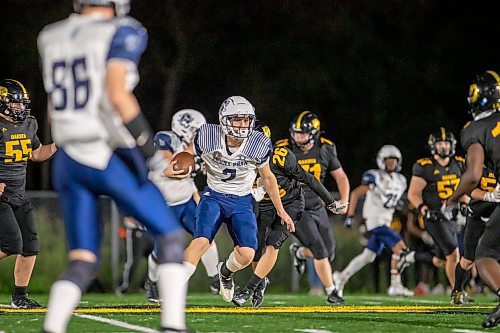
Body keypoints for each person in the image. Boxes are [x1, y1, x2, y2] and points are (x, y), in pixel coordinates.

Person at [37, 1, 187, 332]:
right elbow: (117, 94)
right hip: (105, 152)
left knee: (83, 259)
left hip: (66, 158)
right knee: (171, 237)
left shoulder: (51, 35)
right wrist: (149, 151)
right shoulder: (123, 30)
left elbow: (52, 109)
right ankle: (174, 326)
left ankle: (52, 327)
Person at [181, 96, 293, 303]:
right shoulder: (208, 135)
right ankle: (172, 289)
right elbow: (187, 154)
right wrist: (181, 164)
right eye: (237, 119)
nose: (242, 125)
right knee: (200, 242)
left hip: (242, 200)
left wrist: (281, 210)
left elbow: (268, 177)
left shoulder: (258, 143)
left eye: (246, 120)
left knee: (248, 254)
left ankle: (225, 272)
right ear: (224, 120)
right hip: (213, 196)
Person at [232, 121, 346, 307]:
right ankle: (260, 283)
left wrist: (331, 202)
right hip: (265, 206)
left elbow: (309, 179)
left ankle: (248, 289)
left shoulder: (281, 156)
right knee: (255, 248)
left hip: (291, 204)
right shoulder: (239, 161)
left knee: (273, 243)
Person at [443, 70, 500, 328]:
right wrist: (486, 194)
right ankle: (458, 289)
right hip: (480, 206)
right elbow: (473, 188)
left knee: (484, 256)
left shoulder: (475, 130)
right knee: (468, 257)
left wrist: (450, 199)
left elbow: (471, 176)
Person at [145, 109, 220, 302]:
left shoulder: (193, 149)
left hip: (186, 201)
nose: (199, 135)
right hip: (165, 205)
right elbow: (174, 169)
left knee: (206, 237)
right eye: (196, 130)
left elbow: (190, 181)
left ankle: (215, 279)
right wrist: (196, 164)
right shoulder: (166, 140)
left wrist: (198, 200)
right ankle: (152, 282)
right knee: (161, 249)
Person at [276, 111, 349, 299]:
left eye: (303, 133)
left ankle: (299, 253)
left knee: (329, 253)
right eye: (296, 133)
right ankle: (332, 291)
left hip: (318, 205)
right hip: (295, 207)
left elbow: (340, 176)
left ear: (314, 133)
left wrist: (344, 200)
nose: (298, 137)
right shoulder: (284, 149)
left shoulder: (326, 148)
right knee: (319, 249)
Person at [0, 79, 57, 309]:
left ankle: (19, 297)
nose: (20, 108)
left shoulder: (29, 124)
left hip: (19, 194)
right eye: (15, 104)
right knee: (11, 242)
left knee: (29, 246)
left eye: (22, 104)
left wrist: (56, 146)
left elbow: (36, 153)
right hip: (1, 195)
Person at [333, 145, 414, 297]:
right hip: (375, 221)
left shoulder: (400, 180)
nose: (391, 164)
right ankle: (395, 285)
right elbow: (356, 193)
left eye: (394, 161)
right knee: (401, 249)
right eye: (388, 160)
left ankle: (341, 277)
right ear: (381, 161)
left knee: (368, 256)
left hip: (385, 221)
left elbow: (390, 201)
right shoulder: (375, 177)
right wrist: (349, 216)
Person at [408, 128, 467, 290]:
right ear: (433, 146)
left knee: (442, 260)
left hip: (452, 217)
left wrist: (464, 204)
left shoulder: (459, 164)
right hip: (434, 216)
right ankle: (457, 292)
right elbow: (413, 194)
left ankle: (412, 257)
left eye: (446, 143)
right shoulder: (425, 166)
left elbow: (464, 190)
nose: (443, 146)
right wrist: (425, 210)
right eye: (440, 143)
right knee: (454, 254)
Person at [450, 166, 498, 304]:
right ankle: (457, 290)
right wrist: (488, 196)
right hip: (478, 213)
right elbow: (469, 189)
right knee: (468, 259)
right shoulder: (478, 163)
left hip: (497, 216)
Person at [115, 217, 154, 295]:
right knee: (132, 261)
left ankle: (145, 285)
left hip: (149, 231)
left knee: (155, 259)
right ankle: (122, 287)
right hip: (134, 230)